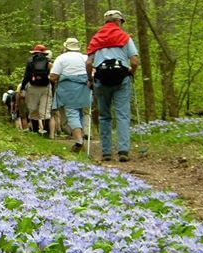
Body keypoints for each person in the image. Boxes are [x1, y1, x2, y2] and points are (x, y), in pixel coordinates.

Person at [86, 10, 140, 162]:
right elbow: (134, 61)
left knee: (104, 116)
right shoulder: (125, 38)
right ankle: (123, 150)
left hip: (101, 80)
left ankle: (106, 152)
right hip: (121, 79)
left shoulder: (96, 38)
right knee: (122, 115)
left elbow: (89, 62)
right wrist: (131, 71)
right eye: (121, 22)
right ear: (118, 21)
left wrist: (90, 79)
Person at [50, 38, 91, 153]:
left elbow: (53, 76)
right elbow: (92, 72)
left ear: (66, 47)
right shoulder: (85, 57)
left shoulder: (61, 58)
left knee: (72, 113)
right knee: (81, 113)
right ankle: (81, 137)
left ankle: (79, 141)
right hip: (84, 88)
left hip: (68, 89)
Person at [20, 44, 54, 139]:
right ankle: (46, 134)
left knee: (33, 109)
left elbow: (26, 76)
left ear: (34, 52)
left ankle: (35, 132)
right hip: (46, 87)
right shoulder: (48, 62)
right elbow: (52, 76)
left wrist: (22, 88)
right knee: (45, 110)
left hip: (33, 87)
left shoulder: (30, 61)